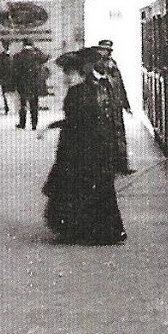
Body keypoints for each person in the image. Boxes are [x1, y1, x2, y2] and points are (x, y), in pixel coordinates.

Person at [38, 51, 126, 245]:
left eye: (69, 73)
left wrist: (50, 127)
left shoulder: (79, 93)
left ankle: (81, 230)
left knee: (77, 189)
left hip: (80, 148)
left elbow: (76, 121)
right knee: (87, 190)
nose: (65, 77)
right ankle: (94, 231)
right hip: (86, 147)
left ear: (80, 73)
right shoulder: (88, 89)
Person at [93, 39, 134, 175]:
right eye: (103, 50)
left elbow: (120, 85)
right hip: (105, 106)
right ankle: (109, 167)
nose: (106, 52)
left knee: (119, 136)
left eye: (108, 50)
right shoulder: (97, 66)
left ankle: (122, 166)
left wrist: (126, 104)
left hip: (115, 106)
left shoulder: (113, 64)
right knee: (107, 137)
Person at [11, 39, 48, 130]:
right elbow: (46, 58)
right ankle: (34, 124)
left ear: (23, 45)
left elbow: (14, 70)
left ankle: (22, 123)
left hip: (22, 83)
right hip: (34, 83)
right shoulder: (36, 55)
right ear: (32, 44)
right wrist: (38, 50)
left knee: (23, 104)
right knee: (34, 104)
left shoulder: (18, 55)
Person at [0, 42, 14, 114]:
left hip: (7, 77)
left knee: (6, 93)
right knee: (6, 93)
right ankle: (7, 107)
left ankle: (8, 107)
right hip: (6, 77)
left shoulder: (2, 56)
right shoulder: (4, 56)